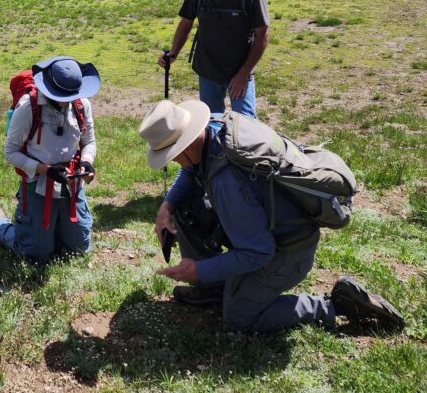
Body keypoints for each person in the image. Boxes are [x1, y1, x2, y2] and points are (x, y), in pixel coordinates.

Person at [139, 98, 405, 334]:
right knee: (184, 210)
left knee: (239, 317)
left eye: (172, 155)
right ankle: (216, 289)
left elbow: (257, 252)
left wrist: (197, 270)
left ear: (188, 142)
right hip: (270, 229)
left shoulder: (226, 182)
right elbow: (189, 170)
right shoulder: (217, 127)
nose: (173, 162)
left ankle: (333, 305)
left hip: (287, 252)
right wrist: (168, 206)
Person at [0, 57, 99, 262]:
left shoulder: (81, 104)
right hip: (37, 185)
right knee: (34, 254)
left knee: (79, 250)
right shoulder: (28, 107)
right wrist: (44, 169)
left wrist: (87, 161)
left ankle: (54, 230)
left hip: (71, 186)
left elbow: (89, 141)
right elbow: (10, 152)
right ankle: (0, 223)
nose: (68, 100)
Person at [157, 0, 269, 117]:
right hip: (208, 71)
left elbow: (261, 36)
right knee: (210, 121)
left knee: (246, 124)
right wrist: (173, 54)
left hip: (239, 70)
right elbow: (186, 23)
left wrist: (243, 74)